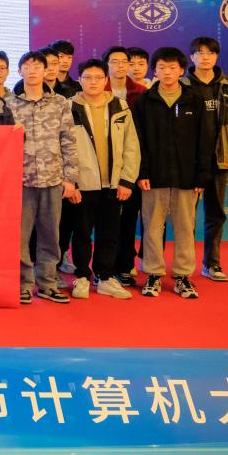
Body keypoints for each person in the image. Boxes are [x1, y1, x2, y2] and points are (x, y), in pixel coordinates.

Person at [134, 47, 214, 300]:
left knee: (185, 227)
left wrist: (202, 175)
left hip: (187, 177)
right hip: (153, 176)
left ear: (181, 70)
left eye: (172, 67)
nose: (167, 72)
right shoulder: (145, 101)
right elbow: (138, 140)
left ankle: (182, 276)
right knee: (152, 227)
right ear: (154, 71)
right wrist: (142, 172)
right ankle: (153, 273)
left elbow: (205, 140)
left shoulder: (194, 99)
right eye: (161, 67)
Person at [5, 51, 79, 306]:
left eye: (37, 66)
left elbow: (68, 141)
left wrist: (70, 179)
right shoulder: (9, 103)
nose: (33, 70)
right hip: (21, 180)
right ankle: (23, 284)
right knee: (20, 237)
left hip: (53, 179)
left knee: (50, 235)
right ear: (19, 71)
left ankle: (47, 283)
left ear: (46, 71)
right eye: (27, 66)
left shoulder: (60, 103)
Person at [66, 58, 140, 300]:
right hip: (82, 184)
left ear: (106, 80)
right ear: (79, 80)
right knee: (81, 233)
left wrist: (127, 181)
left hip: (113, 183)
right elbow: (62, 148)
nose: (93, 82)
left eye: (98, 78)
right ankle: (82, 276)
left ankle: (105, 277)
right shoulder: (69, 107)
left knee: (109, 233)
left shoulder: (119, 106)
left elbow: (131, 145)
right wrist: (71, 182)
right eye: (87, 77)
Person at [183, 36, 228, 283]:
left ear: (216, 56)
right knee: (186, 216)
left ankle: (211, 263)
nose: (205, 57)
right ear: (192, 56)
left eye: (210, 53)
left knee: (216, 213)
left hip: (219, 157)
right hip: (189, 160)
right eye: (200, 52)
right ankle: (184, 265)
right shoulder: (182, 84)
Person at [103, 44, 149, 288]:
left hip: (131, 162)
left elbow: (144, 133)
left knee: (129, 217)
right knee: (106, 220)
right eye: (115, 61)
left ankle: (124, 266)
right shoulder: (96, 90)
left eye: (124, 62)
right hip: (103, 164)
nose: (120, 66)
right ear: (106, 65)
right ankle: (104, 267)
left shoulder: (141, 93)